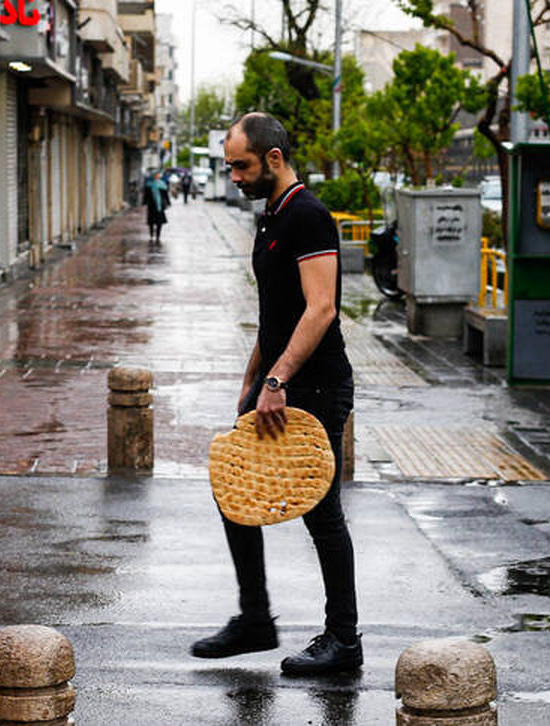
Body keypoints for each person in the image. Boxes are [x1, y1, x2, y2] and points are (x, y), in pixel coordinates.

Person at [190, 112, 359, 676]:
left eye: (241, 165)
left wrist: (277, 380)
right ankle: (256, 619)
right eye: (229, 166)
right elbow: (276, 317)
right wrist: (251, 381)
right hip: (280, 383)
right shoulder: (271, 217)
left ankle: (343, 640)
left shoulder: (308, 216)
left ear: (274, 159)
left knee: (323, 513)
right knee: (232, 484)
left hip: (316, 385)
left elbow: (321, 309)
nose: (233, 176)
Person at [144, 170, 170, 243]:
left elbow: (165, 195)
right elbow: (146, 196)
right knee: (151, 222)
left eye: (158, 175)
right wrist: (145, 202)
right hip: (151, 206)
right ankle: (151, 235)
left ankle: (158, 236)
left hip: (160, 206)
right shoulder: (148, 185)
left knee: (159, 222)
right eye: (156, 175)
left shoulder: (162, 184)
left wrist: (168, 202)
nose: (157, 176)